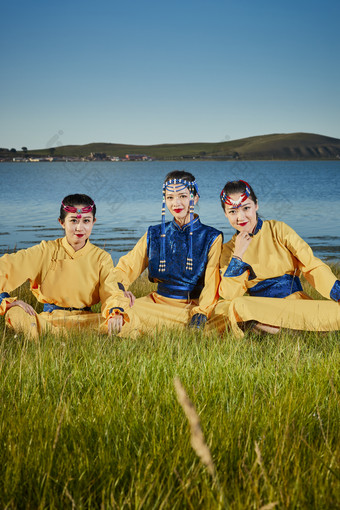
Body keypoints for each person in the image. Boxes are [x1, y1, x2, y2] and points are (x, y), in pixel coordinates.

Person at [209, 179, 340, 336]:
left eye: (246, 208)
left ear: (256, 205)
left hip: (295, 305)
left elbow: (312, 265)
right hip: (260, 308)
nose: (241, 217)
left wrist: (337, 291)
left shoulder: (278, 230)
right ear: (225, 214)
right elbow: (230, 294)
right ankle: (304, 332)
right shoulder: (228, 250)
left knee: (335, 310)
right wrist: (238, 256)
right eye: (232, 212)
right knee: (237, 305)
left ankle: (276, 331)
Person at [110, 170, 223, 337]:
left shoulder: (211, 237)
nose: (176, 203)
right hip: (156, 303)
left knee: (225, 316)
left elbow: (212, 283)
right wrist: (120, 291)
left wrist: (201, 313)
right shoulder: (154, 234)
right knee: (121, 311)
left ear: (195, 198)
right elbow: (126, 267)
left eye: (183, 196)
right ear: (165, 200)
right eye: (170, 197)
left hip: (192, 306)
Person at [0, 194, 129, 338]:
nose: (79, 228)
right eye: (73, 221)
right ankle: (66, 337)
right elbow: (5, 268)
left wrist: (115, 312)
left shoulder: (101, 258)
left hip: (87, 320)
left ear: (93, 222)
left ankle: (53, 337)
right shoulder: (45, 251)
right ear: (62, 222)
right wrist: (5, 300)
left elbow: (111, 291)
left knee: (128, 319)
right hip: (48, 320)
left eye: (86, 221)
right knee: (15, 313)